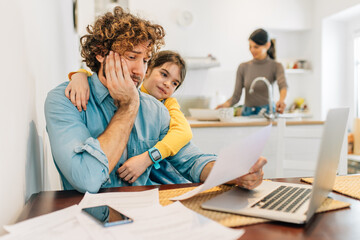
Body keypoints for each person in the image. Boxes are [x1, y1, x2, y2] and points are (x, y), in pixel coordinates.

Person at [44, 6, 266, 193]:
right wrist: (128, 106)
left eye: (146, 61)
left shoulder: (156, 111)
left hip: (145, 217)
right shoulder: (65, 101)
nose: (139, 71)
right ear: (101, 53)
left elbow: (191, 161)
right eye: (132, 57)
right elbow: (87, 179)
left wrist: (232, 172)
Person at [65, 50, 192, 184]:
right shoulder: (128, 91)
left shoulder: (168, 104)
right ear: (147, 70)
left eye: (174, 83)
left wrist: (147, 158)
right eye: (164, 74)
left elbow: (184, 132)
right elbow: (96, 78)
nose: (167, 84)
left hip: (163, 177)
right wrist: (79, 76)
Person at [216, 28, 288, 116]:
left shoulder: (276, 66)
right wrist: (224, 106)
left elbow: (283, 86)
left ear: (267, 45)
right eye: (250, 46)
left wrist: (281, 101)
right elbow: (236, 96)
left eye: (256, 47)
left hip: (268, 114)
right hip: (247, 113)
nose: (252, 50)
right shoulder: (243, 67)